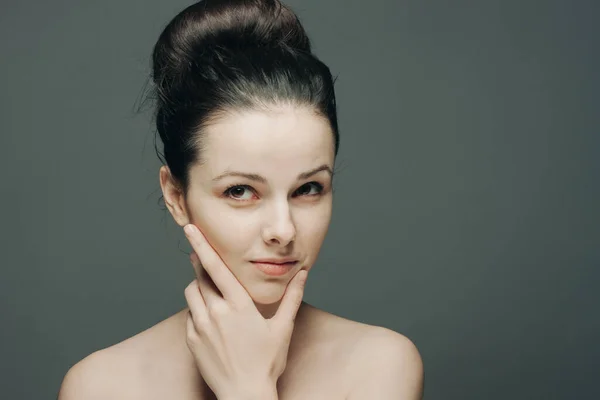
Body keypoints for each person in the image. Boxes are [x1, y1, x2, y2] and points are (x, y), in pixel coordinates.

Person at [58, 0, 423, 399]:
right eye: (240, 191)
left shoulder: (379, 366)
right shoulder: (99, 386)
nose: (283, 231)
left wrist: (248, 387)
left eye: (308, 189)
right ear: (176, 196)